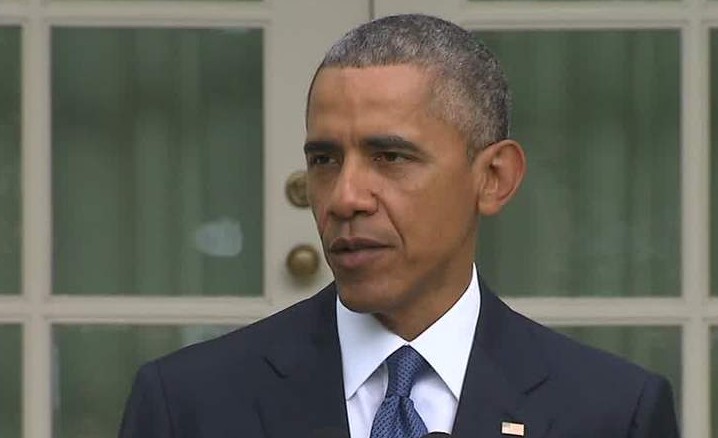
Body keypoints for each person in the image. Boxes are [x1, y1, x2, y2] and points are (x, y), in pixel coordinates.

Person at [119, 14, 679, 438]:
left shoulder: (612, 411)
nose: (345, 198)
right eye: (324, 160)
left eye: (389, 157)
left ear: (494, 178)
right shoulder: (188, 405)